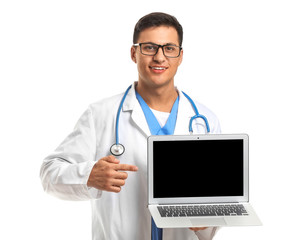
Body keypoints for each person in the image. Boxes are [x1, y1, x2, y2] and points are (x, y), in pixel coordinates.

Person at [40, 12, 221, 240]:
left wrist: (207, 219)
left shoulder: (204, 120)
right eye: (149, 47)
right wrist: (87, 175)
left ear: (180, 56)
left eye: (169, 48)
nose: (159, 57)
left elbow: (213, 208)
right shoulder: (101, 114)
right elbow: (49, 173)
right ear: (134, 53)